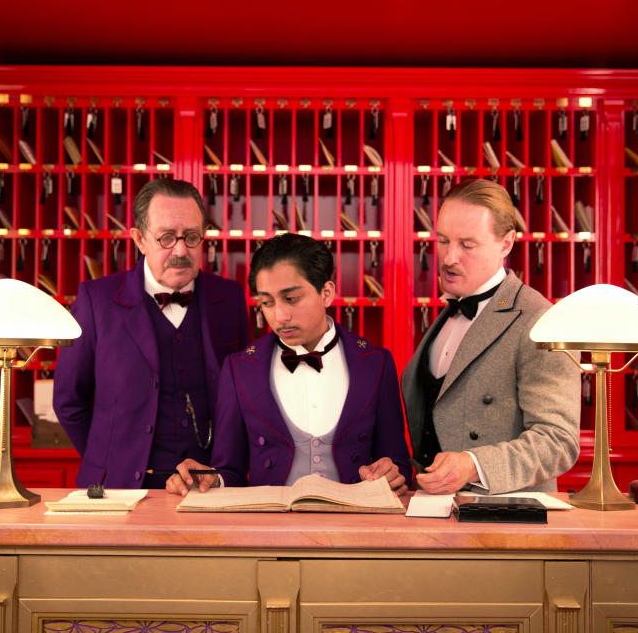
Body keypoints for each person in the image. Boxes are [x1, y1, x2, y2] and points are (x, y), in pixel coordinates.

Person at [167, 233, 411, 496]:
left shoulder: (376, 363)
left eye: (291, 299)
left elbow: (398, 466)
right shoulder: (239, 369)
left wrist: (392, 474)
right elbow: (230, 471)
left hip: (355, 531)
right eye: (266, 303)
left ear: (327, 293)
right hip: (269, 530)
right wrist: (210, 480)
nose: (280, 316)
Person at [54, 178, 250, 489]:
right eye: (167, 238)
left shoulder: (230, 298)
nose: (181, 250)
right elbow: (68, 400)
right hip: (117, 490)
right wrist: (108, 461)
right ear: (139, 239)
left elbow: (244, 396)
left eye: (192, 237)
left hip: (207, 489)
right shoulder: (96, 300)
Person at [401, 179, 580, 495]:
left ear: (506, 243)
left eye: (467, 245)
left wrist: (472, 464)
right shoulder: (447, 313)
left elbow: (558, 441)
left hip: (503, 522)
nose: (448, 258)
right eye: (443, 240)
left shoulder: (539, 319)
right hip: (434, 511)